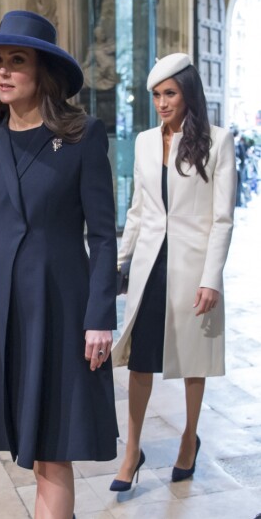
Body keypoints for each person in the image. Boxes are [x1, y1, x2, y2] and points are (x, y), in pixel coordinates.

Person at [0, 10, 119, 519]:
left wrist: (99, 317)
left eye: (16, 61)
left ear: (43, 71)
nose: (2, 72)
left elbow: (103, 235)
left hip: (58, 305)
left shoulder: (81, 136)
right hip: (0, 305)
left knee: (53, 444)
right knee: (29, 442)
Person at [110, 53, 236, 491]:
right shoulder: (145, 141)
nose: (162, 103)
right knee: (139, 361)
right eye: (156, 96)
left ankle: (188, 440)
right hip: (150, 265)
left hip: (192, 268)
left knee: (192, 362)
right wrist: (118, 263)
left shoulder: (219, 141)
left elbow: (222, 218)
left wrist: (211, 277)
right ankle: (132, 451)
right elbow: (139, 210)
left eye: (170, 93)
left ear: (187, 93)